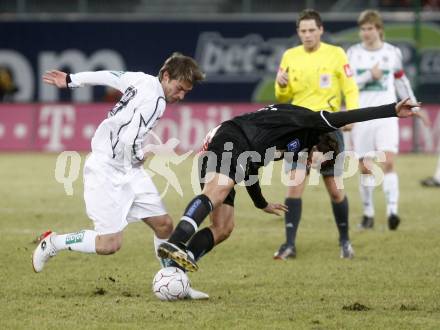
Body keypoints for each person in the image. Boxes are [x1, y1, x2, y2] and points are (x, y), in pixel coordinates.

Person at [157, 98, 419, 274]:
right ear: (320, 146)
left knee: (224, 227)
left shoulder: (288, 143)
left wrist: (261, 203)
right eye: (318, 160)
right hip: (232, 138)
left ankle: (178, 264)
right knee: (217, 191)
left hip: (233, 145)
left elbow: (251, 168)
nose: (313, 166)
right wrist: (392, 110)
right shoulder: (312, 123)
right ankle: (177, 241)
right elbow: (346, 117)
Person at [32, 53, 208, 299]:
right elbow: (129, 139)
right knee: (109, 245)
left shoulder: (141, 80)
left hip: (128, 170)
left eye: (186, 92)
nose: (180, 96)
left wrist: (72, 79)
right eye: (179, 88)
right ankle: (52, 243)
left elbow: (107, 76)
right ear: (166, 76)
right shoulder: (155, 101)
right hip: (105, 169)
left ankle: (175, 282)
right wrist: (138, 154)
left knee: (164, 225)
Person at [273, 9, 359, 260]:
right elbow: (283, 97)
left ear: (321, 30)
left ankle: (345, 241)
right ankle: (289, 245)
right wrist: (281, 84)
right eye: (303, 31)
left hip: (327, 128)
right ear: (298, 33)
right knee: (294, 185)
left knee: (334, 188)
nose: (308, 35)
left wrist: (351, 115)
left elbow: (350, 88)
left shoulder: (336, 54)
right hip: (299, 128)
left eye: (312, 30)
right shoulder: (290, 55)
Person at [347, 10, 430, 230]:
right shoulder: (353, 53)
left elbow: (401, 81)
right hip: (362, 115)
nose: (365, 33)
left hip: (387, 115)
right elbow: (348, 85)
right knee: (365, 166)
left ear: (379, 29)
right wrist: (368, 76)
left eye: (370, 28)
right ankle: (368, 213)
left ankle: (393, 211)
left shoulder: (392, 53)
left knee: (388, 162)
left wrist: (413, 103)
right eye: (363, 29)